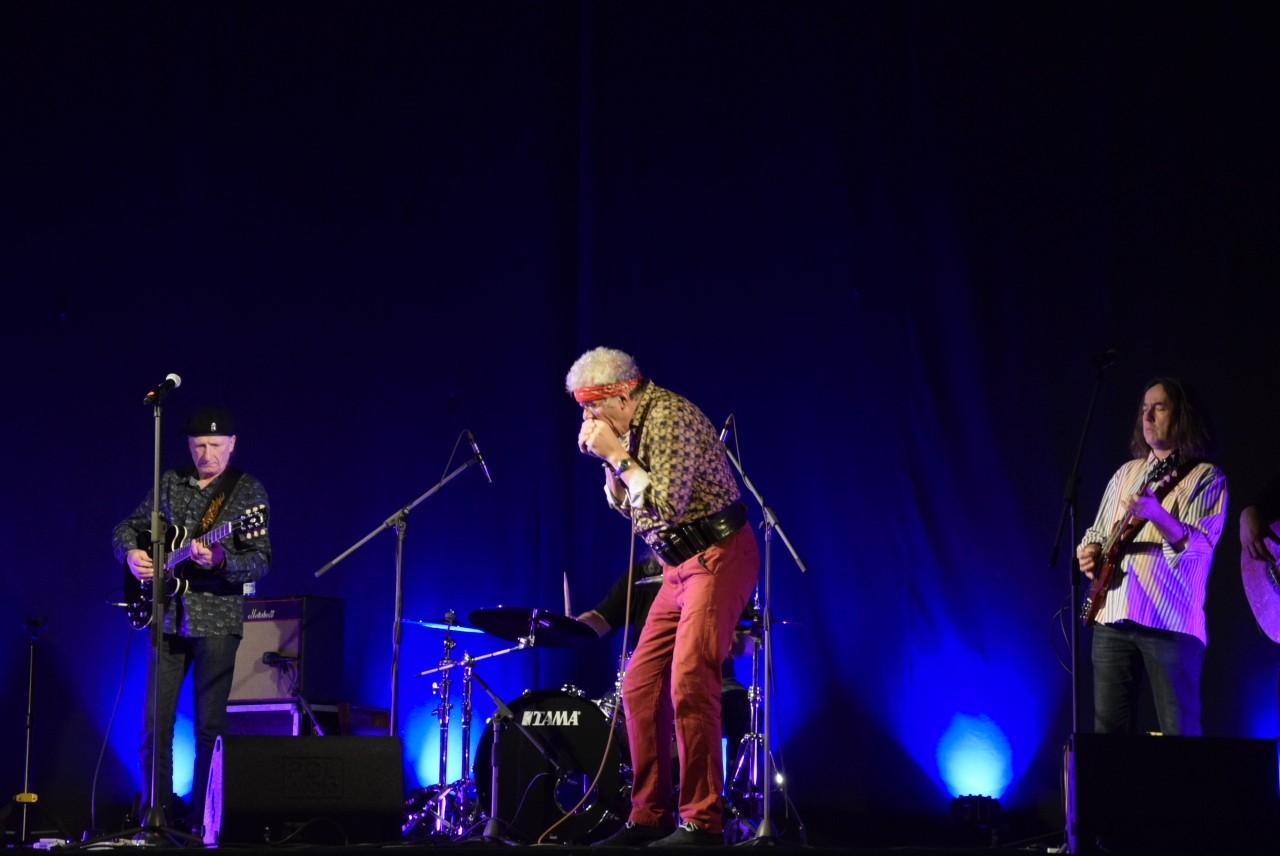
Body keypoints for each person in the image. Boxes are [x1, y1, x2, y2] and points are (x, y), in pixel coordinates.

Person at [566, 346, 758, 847]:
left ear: (622, 394)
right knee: (639, 685)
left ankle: (703, 823)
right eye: (583, 410)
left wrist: (616, 455)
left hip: (718, 555)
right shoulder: (632, 427)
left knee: (691, 680)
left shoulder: (669, 417)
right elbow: (632, 508)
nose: (588, 420)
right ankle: (649, 815)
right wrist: (611, 462)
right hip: (677, 568)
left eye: (593, 407)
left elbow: (666, 506)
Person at [112, 407, 271, 833]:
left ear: (232, 444)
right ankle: (156, 818)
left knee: (209, 729)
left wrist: (220, 560)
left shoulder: (247, 492)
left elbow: (260, 562)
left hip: (217, 619)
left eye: (216, 445)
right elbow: (125, 527)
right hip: (165, 617)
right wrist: (131, 554)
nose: (207, 454)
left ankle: (204, 822)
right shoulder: (170, 482)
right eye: (199, 445)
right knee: (154, 726)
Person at [1076, 377, 1227, 736]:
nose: (1147, 416)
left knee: (1179, 733)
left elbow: (1199, 549)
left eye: (1159, 407)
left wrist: (1157, 514)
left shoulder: (1206, 477)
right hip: (1113, 615)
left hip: (1169, 621)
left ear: (1182, 415)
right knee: (1108, 736)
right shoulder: (1126, 473)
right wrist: (1089, 551)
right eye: (1144, 408)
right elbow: (1098, 531)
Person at [575, 557, 752, 769]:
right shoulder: (641, 574)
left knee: (738, 703)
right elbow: (602, 617)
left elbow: (750, 639)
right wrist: (576, 626)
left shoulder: (719, 571)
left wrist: (736, 641)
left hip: (711, 678)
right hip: (653, 677)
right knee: (606, 714)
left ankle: (732, 782)